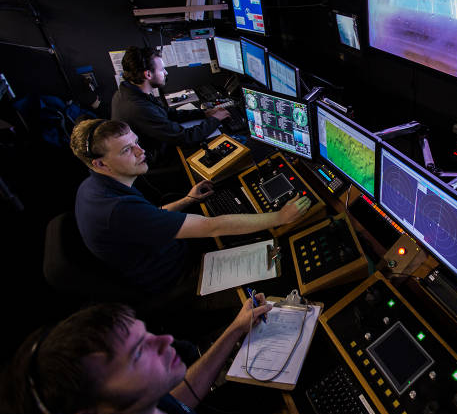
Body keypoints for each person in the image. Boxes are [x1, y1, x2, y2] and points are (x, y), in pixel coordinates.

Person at [68, 117, 312, 305]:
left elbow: (151, 216)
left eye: (135, 142)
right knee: (284, 267)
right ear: (100, 163)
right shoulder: (115, 210)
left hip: (170, 256)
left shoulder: (94, 187)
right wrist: (279, 217)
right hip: (180, 281)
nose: (141, 152)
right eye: (126, 150)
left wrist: (187, 200)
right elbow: (211, 226)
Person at [1, 298, 272, 414]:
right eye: (138, 354)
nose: (166, 341)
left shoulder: (139, 406)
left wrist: (235, 329)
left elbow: (180, 399)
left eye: (146, 335)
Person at [111, 46, 230, 167]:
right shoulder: (138, 108)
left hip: (157, 145)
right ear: (148, 74)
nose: (166, 72)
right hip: (153, 162)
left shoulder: (129, 90)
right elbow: (185, 138)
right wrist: (215, 120)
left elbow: (166, 113)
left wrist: (203, 113)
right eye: (162, 69)